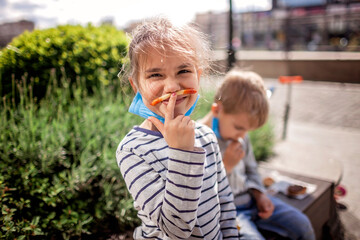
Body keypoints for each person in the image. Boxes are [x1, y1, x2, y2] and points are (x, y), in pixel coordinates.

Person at [116, 17, 240, 239]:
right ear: (136, 86)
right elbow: (176, 230)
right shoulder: (133, 151)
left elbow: (225, 203)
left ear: (198, 76)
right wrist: (183, 153)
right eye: (155, 75)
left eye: (184, 71)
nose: (173, 87)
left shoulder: (206, 136)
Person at [199, 69, 315, 240]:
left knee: (302, 224)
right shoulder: (197, 140)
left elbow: (252, 168)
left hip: (251, 200)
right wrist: (226, 167)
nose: (243, 136)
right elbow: (197, 192)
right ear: (217, 110)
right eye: (239, 128)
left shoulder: (239, 134)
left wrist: (260, 194)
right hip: (226, 212)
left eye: (247, 130)